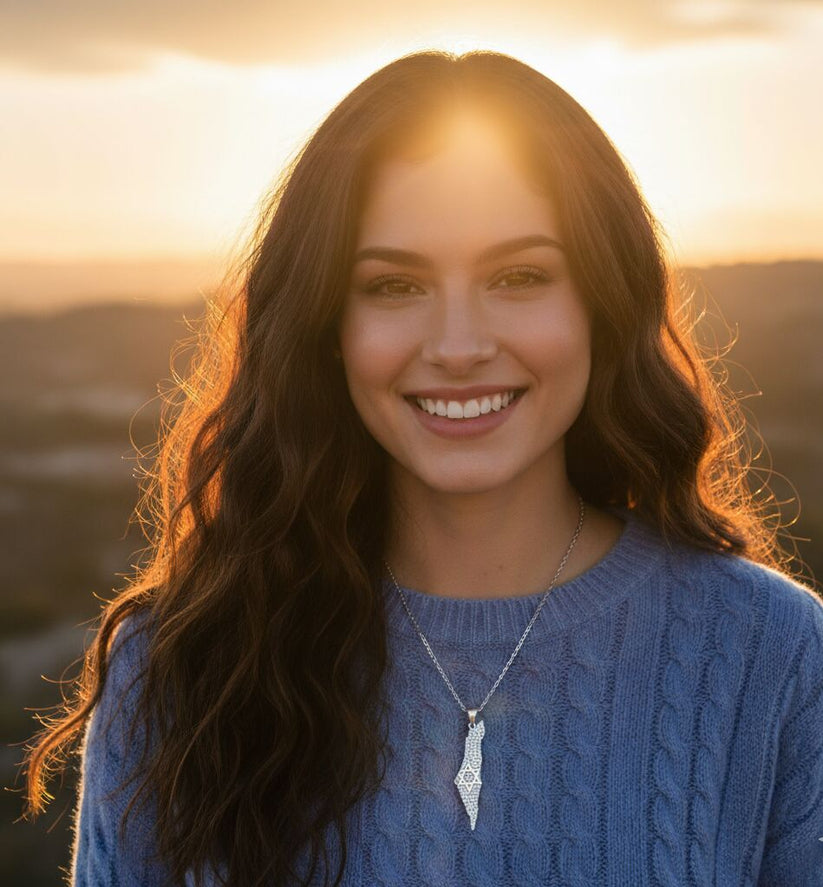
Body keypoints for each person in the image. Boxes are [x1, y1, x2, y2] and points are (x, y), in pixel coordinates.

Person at [24, 49, 823, 886]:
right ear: (327, 323)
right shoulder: (180, 667)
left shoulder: (772, 657)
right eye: (393, 285)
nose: (457, 347)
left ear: (602, 299)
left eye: (519, 276)